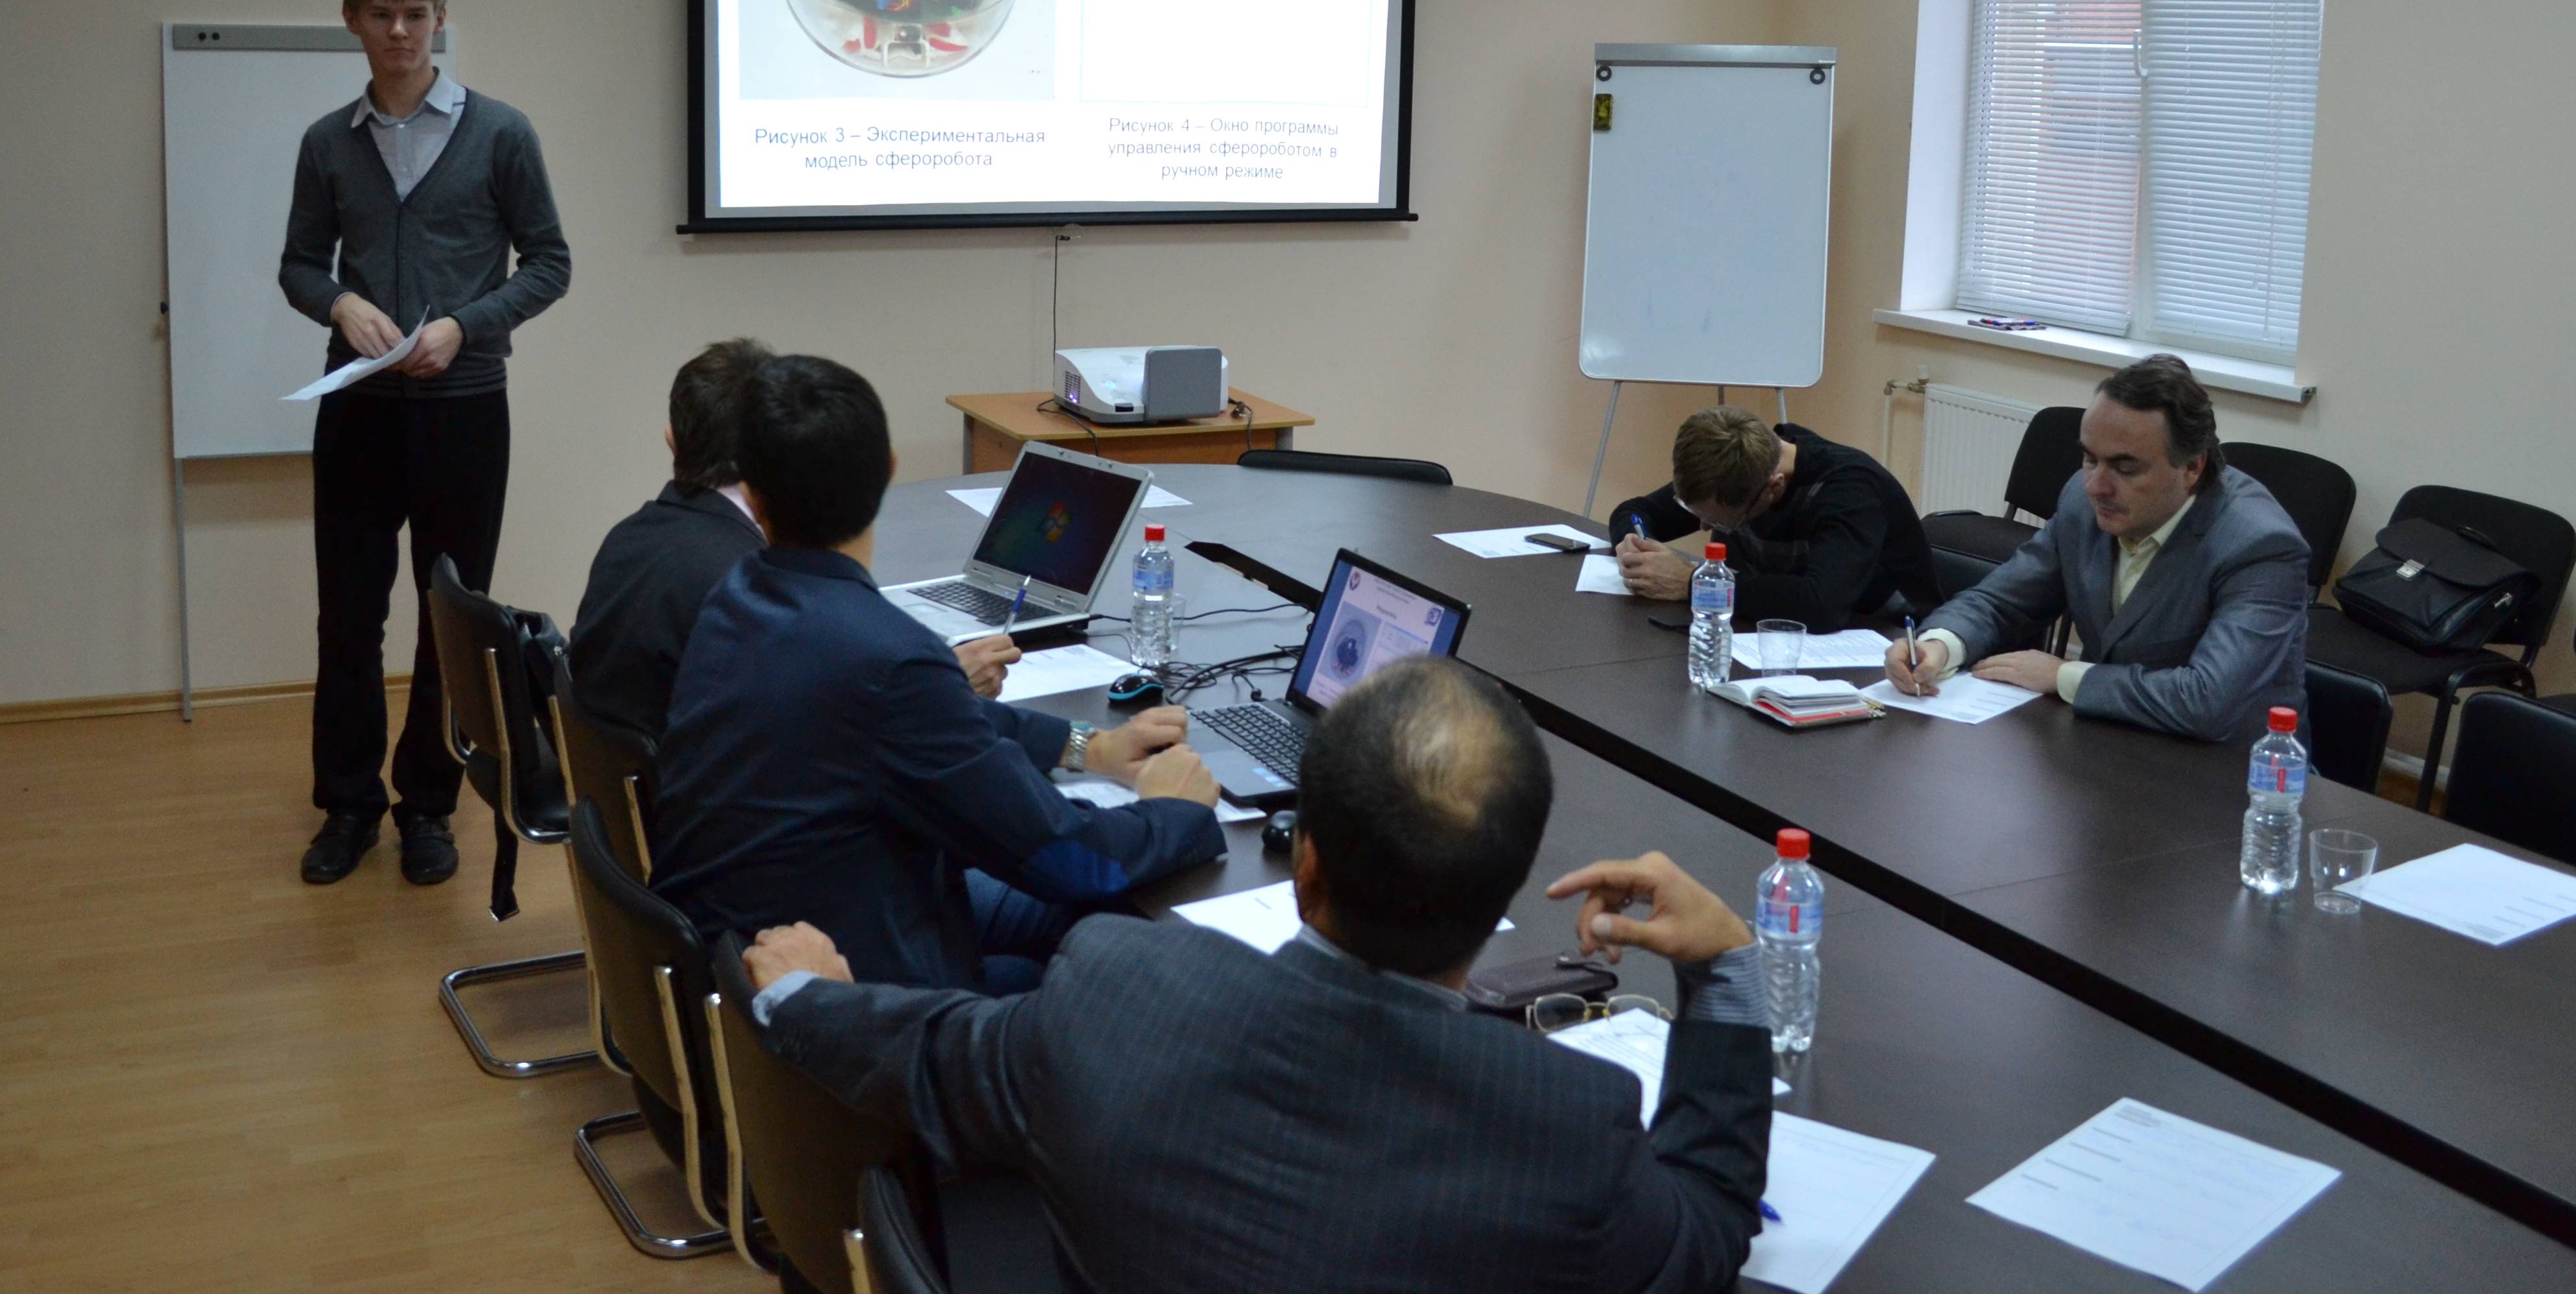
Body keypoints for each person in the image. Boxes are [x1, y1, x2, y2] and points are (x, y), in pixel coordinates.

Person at [740, 657, 1773, 1294]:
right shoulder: (1567, 1129)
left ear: (1304, 864)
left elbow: (927, 1053)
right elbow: (1709, 1229)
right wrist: (1726, 971)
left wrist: (802, 994)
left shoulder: (1114, 989)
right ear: (1509, 883)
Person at [653, 353, 1225, 992]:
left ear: (752, 495)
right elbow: (1071, 860)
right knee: (1116, 973)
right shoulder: (886, 658)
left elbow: (940, 717)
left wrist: (1087, 746)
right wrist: (1172, 810)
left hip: (739, 958)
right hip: (838, 995)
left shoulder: (737, 595)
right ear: (889, 471)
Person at [279, 0, 571, 887]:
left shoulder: (502, 133)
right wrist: (338, 304)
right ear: (354, 24)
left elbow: (550, 263)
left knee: (450, 621)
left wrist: (466, 325)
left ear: (440, 20)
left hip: (466, 411)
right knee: (347, 618)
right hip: (357, 414)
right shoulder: (328, 142)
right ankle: (348, 806)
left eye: (415, 14)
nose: (399, 31)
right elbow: (298, 265)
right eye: (381, 15)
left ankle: (430, 809)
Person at [567, 338, 1020, 741]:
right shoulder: (751, 590)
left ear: (673, 442)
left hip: (622, 790)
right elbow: (825, 730)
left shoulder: (627, 538)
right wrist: (945, 687)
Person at [1883, 355, 2308, 743]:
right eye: (2090, 459)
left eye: (2125, 468)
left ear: (2192, 467)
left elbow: (2207, 701)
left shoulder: (2260, 547)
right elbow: (2003, 601)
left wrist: (2065, 676)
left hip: (2236, 776)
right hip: (2110, 743)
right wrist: (1940, 646)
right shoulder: (2083, 501)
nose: (2097, 486)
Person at [1611, 405, 1941, 632]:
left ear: (1773, 487)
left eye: (1722, 523)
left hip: (1889, 645)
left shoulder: (1851, 491)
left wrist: (1695, 584)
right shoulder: (1731, 463)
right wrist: (1636, 548)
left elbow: (1821, 605)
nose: (1704, 526)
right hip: (1769, 636)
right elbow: (1634, 511)